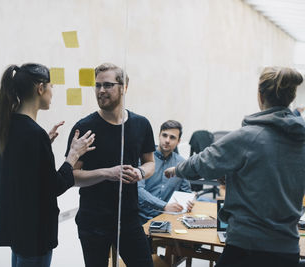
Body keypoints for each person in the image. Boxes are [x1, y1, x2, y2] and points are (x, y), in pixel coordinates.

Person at [165, 67, 305, 267]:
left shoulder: (249, 136)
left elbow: (203, 162)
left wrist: (176, 169)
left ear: (260, 95)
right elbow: (275, 177)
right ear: (290, 98)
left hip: (248, 248)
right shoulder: (300, 140)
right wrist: (236, 178)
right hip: (287, 250)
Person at [0, 63, 95, 267]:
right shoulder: (33, 133)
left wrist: (44, 144)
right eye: (51, 87)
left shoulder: (11, 124)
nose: (52, 93)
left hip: (18, 225)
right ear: (40, 88)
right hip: (34, 231)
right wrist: (72, 156)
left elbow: (23, 171)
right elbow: (54, 187)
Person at [65, 63, 156, 267]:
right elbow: (70, 176)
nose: (101, 91)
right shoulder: (84, 128)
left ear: (124, 87)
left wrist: (140, 173)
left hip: (129, 218)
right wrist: (107, 173)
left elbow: (150, 163)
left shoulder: (141, 124)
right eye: (97, 86)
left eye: (107, 85)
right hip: (93, 221)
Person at [138, 120, 193, 224]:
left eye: (172, 137)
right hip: (141, 217)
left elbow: (185, 192)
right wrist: (164, 206)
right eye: (164, 135)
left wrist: (188, 202)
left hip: (167, 218)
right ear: (159, 136)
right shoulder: (144, 157)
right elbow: (138, 190)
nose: (167, 140)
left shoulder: (181, 163)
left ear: (178, 141)